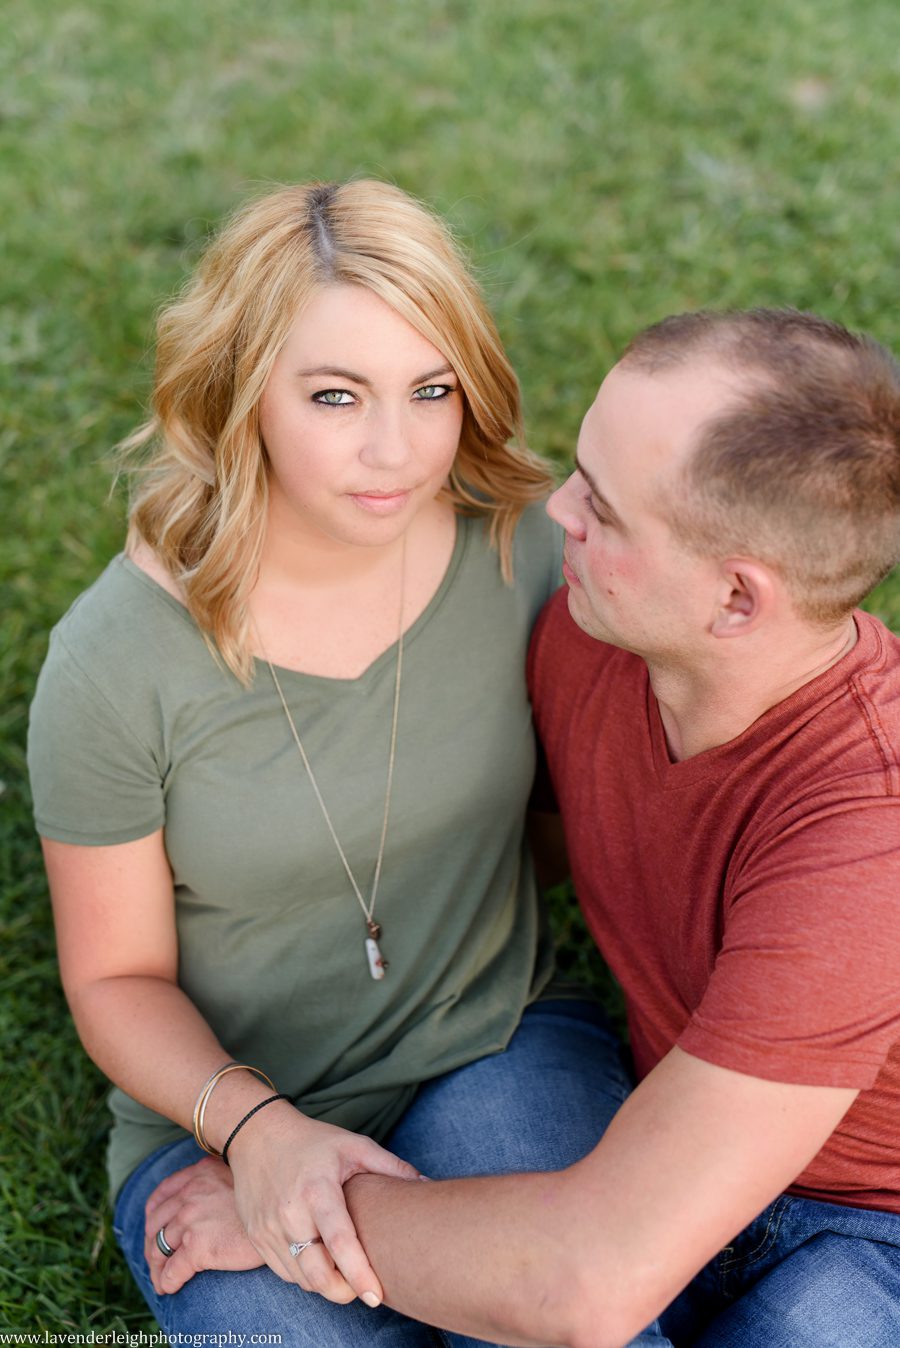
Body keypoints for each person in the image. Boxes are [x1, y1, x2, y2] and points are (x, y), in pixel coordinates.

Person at [149, 309, 900, 1347]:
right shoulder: (595, 633)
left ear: (736, 599)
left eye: (606, 506)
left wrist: (286, 1207)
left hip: (867, 1226)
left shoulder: (868, 839)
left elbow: (583, 1283)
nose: (561, 512)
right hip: (659, 1145)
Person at [27, 180, 641, 1347]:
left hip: (495, 1039)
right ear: (238, 393)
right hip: (221, 1117)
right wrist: (259, 1135)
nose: (395, 449)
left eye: (431, 389)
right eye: (334, 396)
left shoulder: (528, 555)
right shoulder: (115, 661)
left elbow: (614, 805)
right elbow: (114, 979)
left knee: (579, 1330)